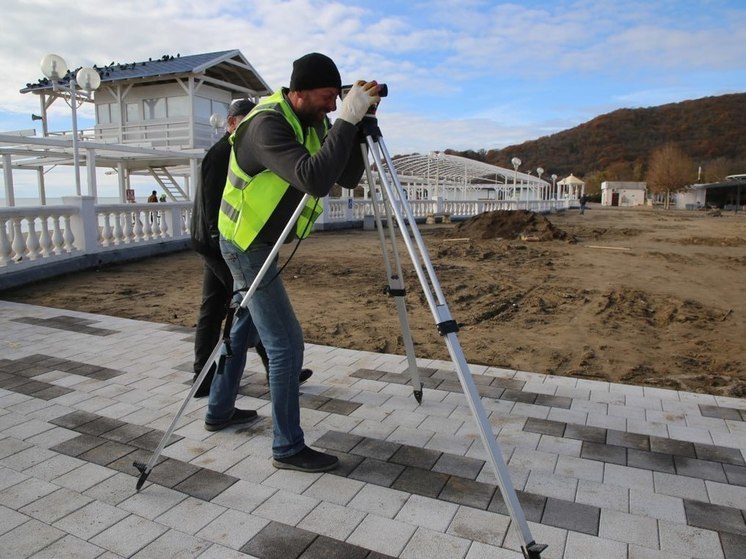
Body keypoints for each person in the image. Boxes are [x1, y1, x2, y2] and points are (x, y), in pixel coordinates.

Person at [211, 52, 380, 472]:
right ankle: (287, 446)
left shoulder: (313, 120)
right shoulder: (267, 124)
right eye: (326, 98)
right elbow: (314, 179)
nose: (330, 105)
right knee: (286, 343)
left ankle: (219, 410)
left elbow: (345, 177)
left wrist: (354, 125)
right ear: (298, 91)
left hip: (260, 244)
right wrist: (344, 120)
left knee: (244, 325)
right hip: (246, 245)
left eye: (335, 99)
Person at [190, 99, 313, 398]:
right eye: (246, 123)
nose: (252, 130)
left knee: (229, 308)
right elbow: (212, 207)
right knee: (244, 308)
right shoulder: (221, 154)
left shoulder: (234, 151)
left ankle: (214, 380)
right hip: (220, 244)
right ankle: (210, 379)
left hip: (222, 244)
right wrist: (224, 251)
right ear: (232, 123)